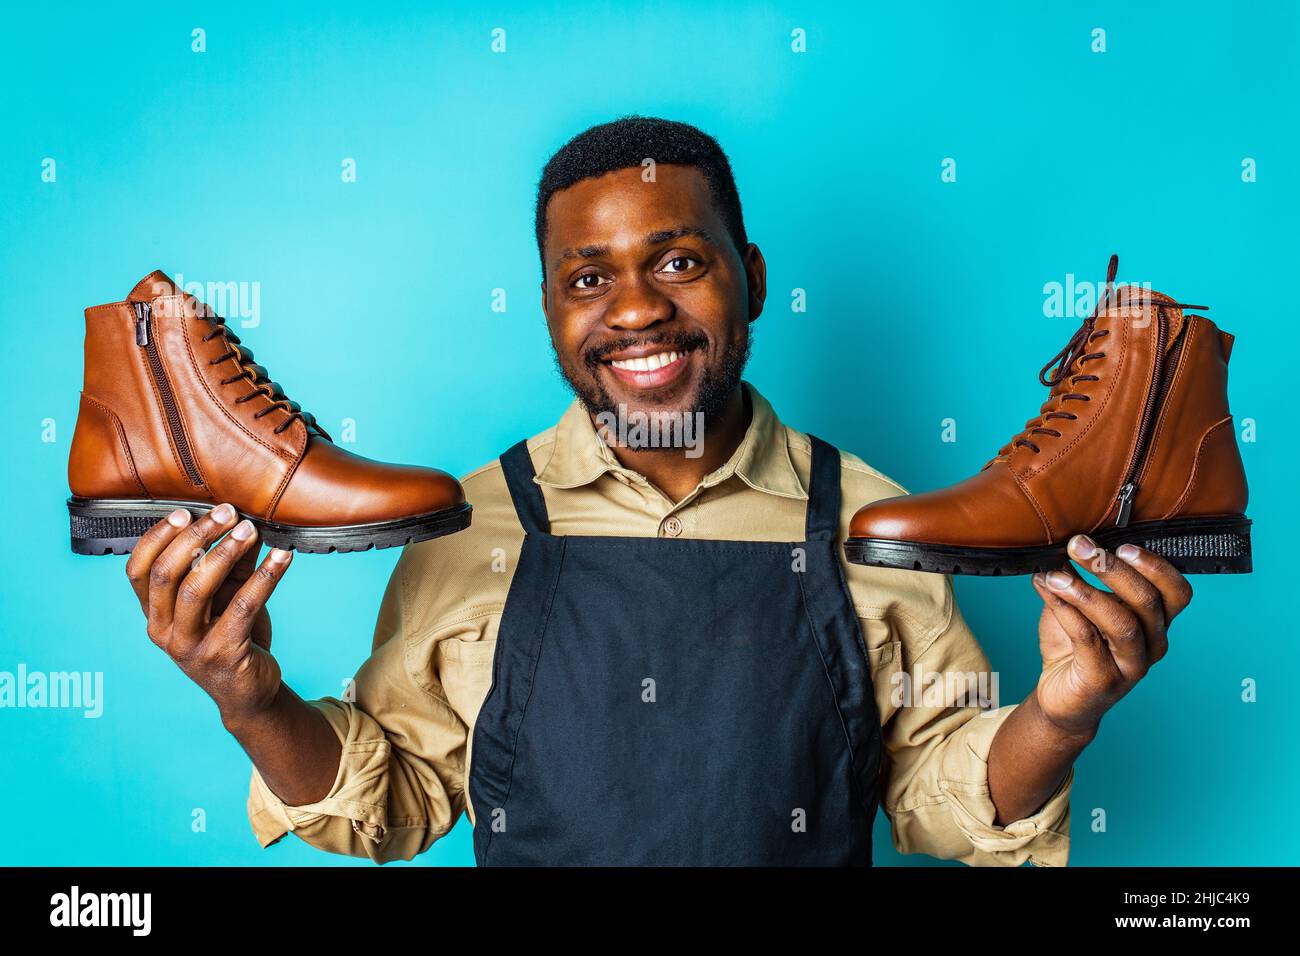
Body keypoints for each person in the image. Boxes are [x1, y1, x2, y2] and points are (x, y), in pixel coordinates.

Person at [124, 116, 1192, 866]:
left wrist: (1062, 711)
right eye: (589, 278)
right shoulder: (469, 520)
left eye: (679, 261)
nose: (634, 309)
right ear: (548, 310)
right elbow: (394, 805)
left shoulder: (878, 520)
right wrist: (250, 698)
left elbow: (938, 803)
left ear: (753, 276)